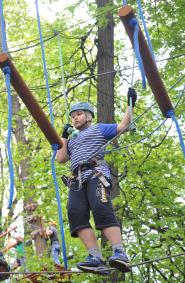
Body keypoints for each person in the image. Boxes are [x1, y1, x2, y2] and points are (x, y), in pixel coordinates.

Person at [56, 89, 137, 274]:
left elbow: (123, 126)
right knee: (75, 214)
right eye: (73, 116)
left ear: (88, 116)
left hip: (95, 173)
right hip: (76, 180)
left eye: (79, 115)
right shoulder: (72, 140)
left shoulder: (98, 128)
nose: (75, 119)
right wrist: (64, 136)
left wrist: (130, 104)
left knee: (101, 208)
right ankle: (95, 257)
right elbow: (60, 158)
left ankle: (119, 252)